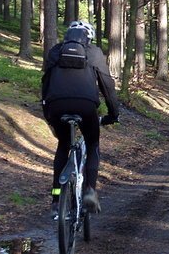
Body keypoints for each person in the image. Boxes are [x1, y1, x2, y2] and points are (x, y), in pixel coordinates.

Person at [41, 20, 119, 219]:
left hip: (56, 105)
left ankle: (56, 200)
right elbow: (107, 85)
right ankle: (90, 192)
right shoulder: (94, 53)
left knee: (63, 145)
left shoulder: (55, 51)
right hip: (85, 106)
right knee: (92, 143)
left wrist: (47, 113)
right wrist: (113, 113)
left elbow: (46, 82)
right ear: (88, 38)